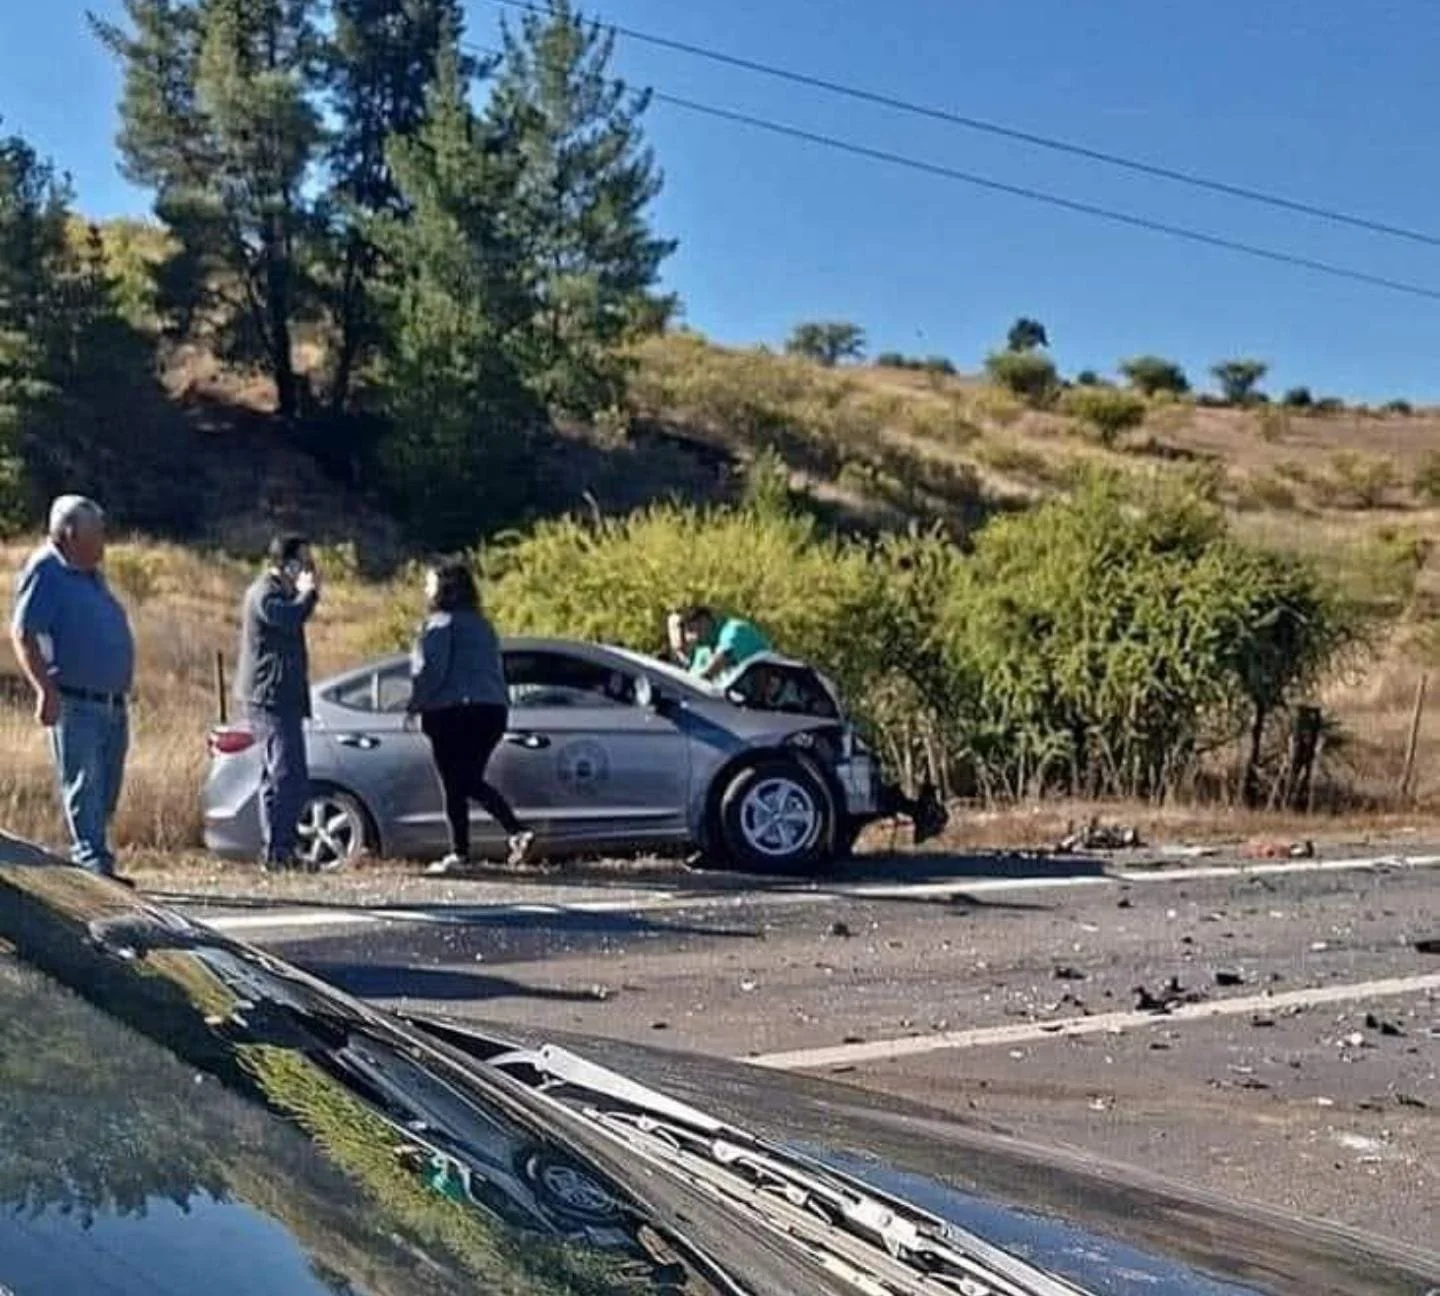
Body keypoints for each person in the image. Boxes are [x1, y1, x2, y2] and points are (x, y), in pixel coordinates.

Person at [9, 495, 135, 879]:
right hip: (76, 701)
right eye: (96, 535)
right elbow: (23, 633)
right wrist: (45, 689)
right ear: (69, 534)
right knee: (84, 784)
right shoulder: (46, 571)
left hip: (111, 702)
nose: (103, 543)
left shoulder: (91, 574)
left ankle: (97, 861)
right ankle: (92, 865)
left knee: (106, 788)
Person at [406, 558, 533, 876]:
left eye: (430, 583)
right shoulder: (482, 625)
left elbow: (432, 671)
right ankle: (513, 832)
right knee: (469, 780)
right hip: (491, 710)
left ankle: (463, 850)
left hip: (452, 711)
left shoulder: (439, 625)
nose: (426, 588)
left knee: (455, 783)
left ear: (444, 588)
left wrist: (415, 704)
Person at [235, 535, 319, 870]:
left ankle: (279, 848)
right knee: (287, 773)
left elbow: (298, 613)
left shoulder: (283, 593)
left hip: (284, 696)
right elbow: (288, 617)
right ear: (287, 563)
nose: (307, 570)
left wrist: (307, 595)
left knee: (280, 774)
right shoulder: (264, 593)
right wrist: (308, 592)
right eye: (303, 562)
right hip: (269, 697)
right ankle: (279, 849)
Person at [667, 605, 771, 687]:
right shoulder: (703, 649)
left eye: (691, 629)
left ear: (704, 621)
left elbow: (715, 666)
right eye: (686, 632)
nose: (689, 638)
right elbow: (691, 676)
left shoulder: (734, 631)